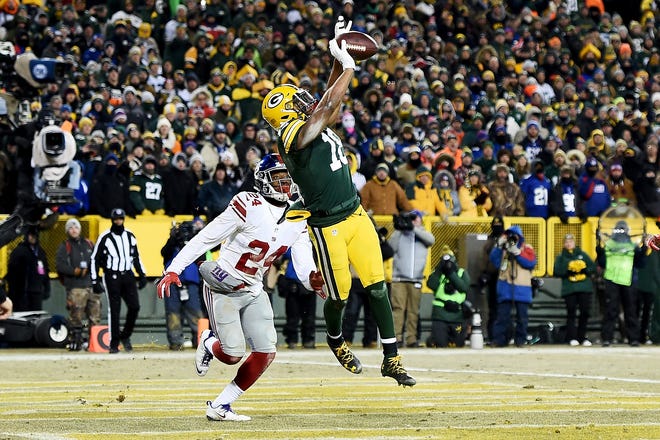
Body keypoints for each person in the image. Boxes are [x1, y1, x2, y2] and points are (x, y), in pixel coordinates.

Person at [261, 16, 415, 386]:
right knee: (340, 296)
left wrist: (337, 51)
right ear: (284, 113)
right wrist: (348, 65)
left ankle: (391, 358)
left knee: (378, 285)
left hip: (355, 213)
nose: (303, 100)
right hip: (327, 225)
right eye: (294, 101)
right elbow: (326, 106)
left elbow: (325, 101)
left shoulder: (309, 121)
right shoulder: (290, 136)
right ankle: (335, 339)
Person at [155, 154, 326, 421]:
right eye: (277, 177)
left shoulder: (297, 215)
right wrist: (174, 268)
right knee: (233, 355)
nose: (284, 183)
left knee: (266, 352)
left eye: (287, 177)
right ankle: (209, 343)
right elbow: (206, 237)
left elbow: (303, 259)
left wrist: (311, 279)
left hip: (254, 287)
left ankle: (221, 405)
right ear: (262, 180)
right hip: (224, 285)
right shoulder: (247, 203)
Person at [90, 208, 148, 354]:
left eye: (120, 219)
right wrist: (95, 279)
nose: (118, 221)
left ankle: (125, 336)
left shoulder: (130, 236)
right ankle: (114, 343)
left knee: (134, 307)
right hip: (112, 275)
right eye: (116, 219)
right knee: (114, 310)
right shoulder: (105, 237)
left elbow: (136, 257)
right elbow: (95, 259)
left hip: (127, 275)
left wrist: (142, 275)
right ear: (112, 220)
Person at [388, 210, 435, 347]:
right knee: (398, 309)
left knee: (413, 310)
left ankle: (411, 339)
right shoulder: (400, 234)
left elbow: (431, 240)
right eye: (411, 218)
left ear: (420, 220)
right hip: (399, 279)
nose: (413, 220)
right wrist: (399, 229)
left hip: (416, 279)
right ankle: (396, 337)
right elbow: (391, 247)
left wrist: (413, 228)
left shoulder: (423, 234)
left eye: (415, 218)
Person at [596, 220, 645, 346]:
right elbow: (640, 264)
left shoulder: (609, 244)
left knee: (618, 311)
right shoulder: (631, 245)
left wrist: (643, 248)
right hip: (622, 280)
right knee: (626, 311)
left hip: (617, 280)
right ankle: (629, 339)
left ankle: (610, 339)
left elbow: (601, 262)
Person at [55, 218, 99, 351]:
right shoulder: (64, 246)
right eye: (70, 228)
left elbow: (97, 261)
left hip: (90, 285)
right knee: (76, 316)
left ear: (80, 229)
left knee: (95, 317)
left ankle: (94, 343)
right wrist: (75, 271)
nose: (74, 230)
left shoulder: (89, 244)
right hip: (75, 286)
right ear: (67, 231)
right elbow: (60, 266)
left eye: (76, 227)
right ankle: (76, 342)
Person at [489, 225, 537, 347]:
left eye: (514, 236)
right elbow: (494, 261)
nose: (512, 238)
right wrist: (498, 246)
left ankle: (520, 340)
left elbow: (530, 263)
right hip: (505, 287)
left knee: (522, 318)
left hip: (522, 288)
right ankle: (499, 340)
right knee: (502, 317)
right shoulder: (502, 251)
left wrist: (517, 253)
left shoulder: (527, 248)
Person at [160, 220, 205, 350]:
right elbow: (164, 253)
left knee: (196, 312)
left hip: (191, 281)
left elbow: (201, 257)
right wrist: (173, 239)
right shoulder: (172, 244)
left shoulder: (195, 244)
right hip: (173, 281)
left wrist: (192, 240)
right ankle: (175, 342)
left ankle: (199, 340)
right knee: (173, 313)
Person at [553, 233, 596, 346]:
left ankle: (582, 337)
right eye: (566, 242)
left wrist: (584, 269)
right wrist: (568, 270)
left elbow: (593, 268)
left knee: (584, 312)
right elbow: (556, 271)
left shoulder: (582, 254)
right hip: (569, 289)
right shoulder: (561, 257)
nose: (568, 244)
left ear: (574, 242)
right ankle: (571, 337)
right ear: (564, 244)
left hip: (584, 288)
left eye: (570, 241)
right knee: (571, 313)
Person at [426, 246, 471, 347]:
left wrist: (451, 273)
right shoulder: (437, 273)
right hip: (440, 315)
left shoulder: (462, 273)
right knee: (440, 344)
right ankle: (433, 338)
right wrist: (439, 269)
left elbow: (463, 287)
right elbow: (431, 285)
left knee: (458, 345)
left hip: (457, 315)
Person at [277, 249, 317, 349]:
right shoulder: (292, 242)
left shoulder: (313, 244)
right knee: (293, 315)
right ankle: (292, 339)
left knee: (309, 315)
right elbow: (279, 258)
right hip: (292, 281)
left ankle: (308, 339)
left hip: (309, 281)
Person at [6, 227, 50, 312]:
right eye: (31, 235)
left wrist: (47, 288)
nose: (33, 238)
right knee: (22, 316)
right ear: (26, 236)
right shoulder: (19, 251)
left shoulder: (40, 252)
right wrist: (12, 292)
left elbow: (45, 271)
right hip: (22, 293)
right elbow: (12, 273)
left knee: (36, 317)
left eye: (35, 236)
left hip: (36, 292)